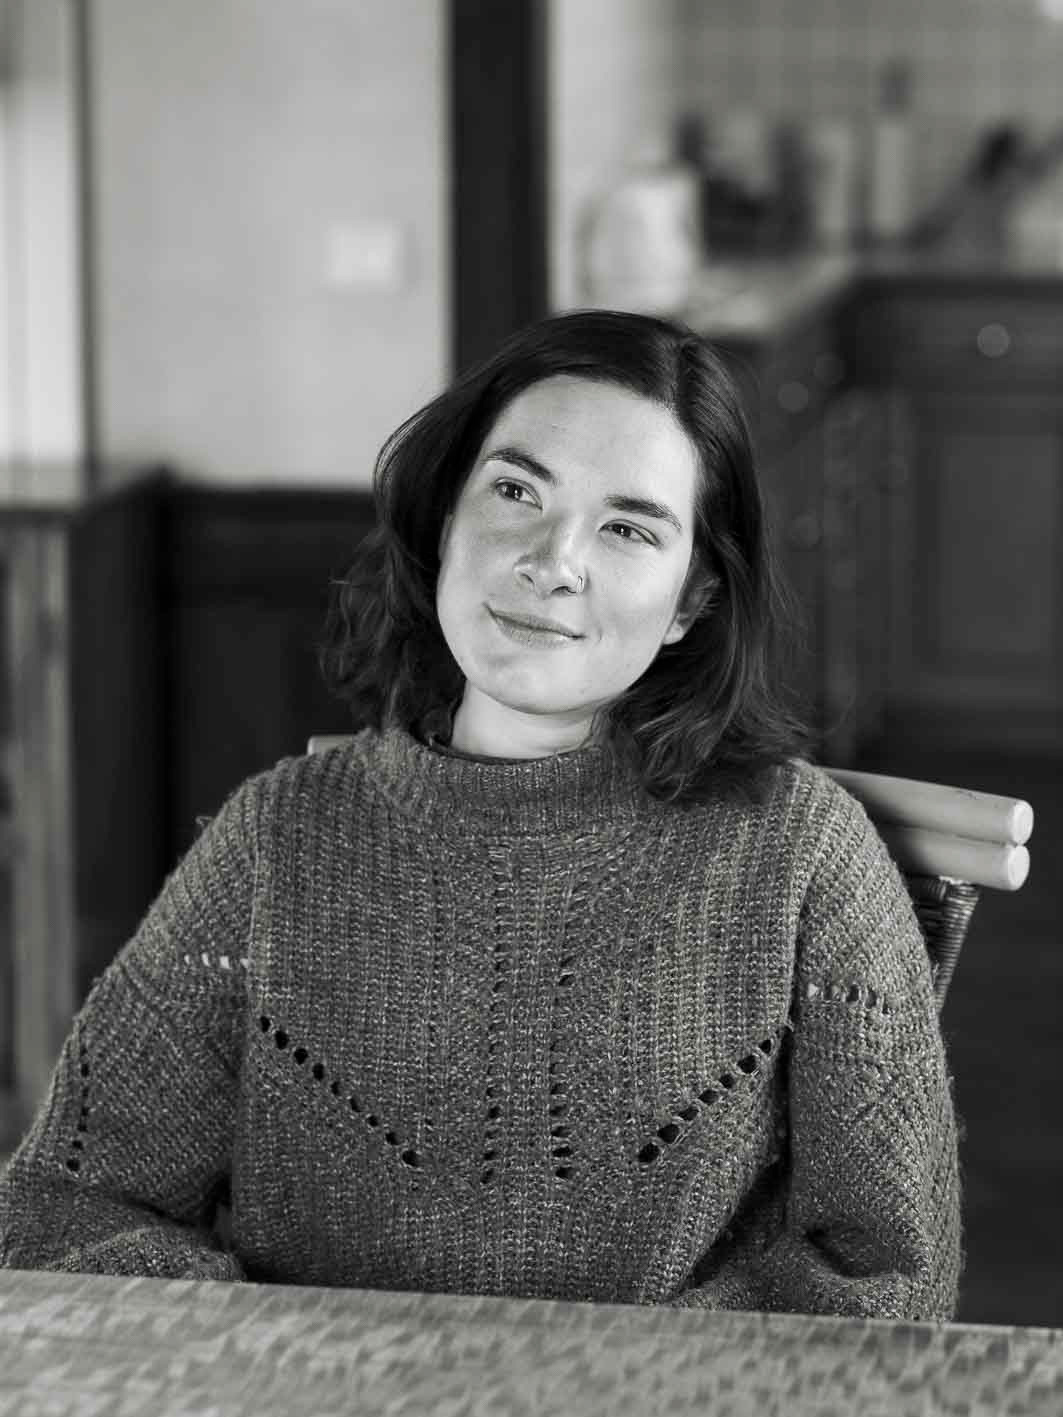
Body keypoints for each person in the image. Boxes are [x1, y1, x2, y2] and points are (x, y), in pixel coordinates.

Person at [0, 310, 962, 1319]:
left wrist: (595, 1378)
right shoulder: (274, 840)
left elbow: (885, 1273)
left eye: (628, 528)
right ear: (443, 519)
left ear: (691, 600)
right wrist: (313, 1354)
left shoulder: (805, 853)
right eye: (515, 491)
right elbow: (62, 1208)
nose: (553, 560)